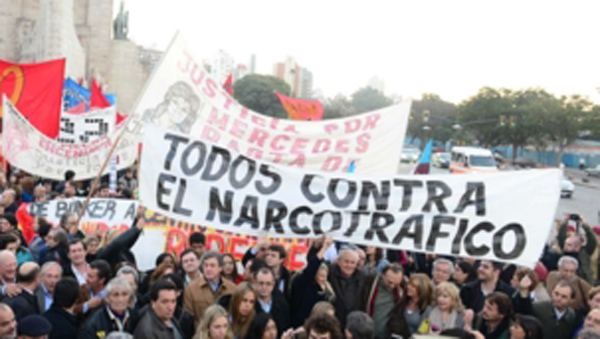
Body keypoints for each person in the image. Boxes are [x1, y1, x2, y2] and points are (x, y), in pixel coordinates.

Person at [290, 236, 336, 328]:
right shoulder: (301, 282)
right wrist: (324, 248)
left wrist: (317, 246)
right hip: (302, 327)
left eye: (325, 276)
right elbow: (312, 266)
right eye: (321, 276)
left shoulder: (326, 290)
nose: (324, 279)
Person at [184, 251, 236, 325]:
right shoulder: (191, 289)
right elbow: (188, 318)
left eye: (212, 265)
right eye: (206, 265)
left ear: (220, 268)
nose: (208, 269)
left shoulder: (232, 288)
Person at [460, 260, 529, 314]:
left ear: (497, 272)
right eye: (480, 266)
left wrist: (524, 292)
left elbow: (521, 314)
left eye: (485, 267)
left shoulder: (509, 293)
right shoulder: (467, 289)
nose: (480, 269)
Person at [360, 264, 404, 339]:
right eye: (389, 282)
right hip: (368, 332)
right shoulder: (370, 282)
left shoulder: (402, 288)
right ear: (382, 275)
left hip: (388, 334)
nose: (392, 286)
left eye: (396, 284)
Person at [328, 246, 366, 328]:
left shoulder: (362, 277)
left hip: (352, 325)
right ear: (339, 261)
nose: (349, 265)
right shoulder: (329, 273)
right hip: (333, 322)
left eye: (352, 263)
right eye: (346, 261)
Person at [557, 216, 597, 284]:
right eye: (566, 244)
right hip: (567, 282)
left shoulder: (585, 252)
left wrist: (584, 224)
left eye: (569, 245)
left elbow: (592, 241)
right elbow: (561, 237)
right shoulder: (565, 253)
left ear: (577, 247)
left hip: (585, 283)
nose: (566, 247)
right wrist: (565, 222)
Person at [252, 267, 290, 337]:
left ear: (273, 284)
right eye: (261, 283)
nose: (264, 287)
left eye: (268, 284)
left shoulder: (282, 305)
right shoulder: (250, 305)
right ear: (255, 283)